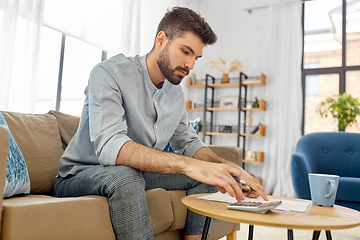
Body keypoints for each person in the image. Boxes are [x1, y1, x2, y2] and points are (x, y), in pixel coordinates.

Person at [54, 6, 268, 240]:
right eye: (185, 51)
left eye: (195, 57)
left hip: (137, 173)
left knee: (207, 176)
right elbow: (110, 147)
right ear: (161, 39)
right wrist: (187, 165)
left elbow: (189, 143)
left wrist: (227, 168)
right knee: (125, 176)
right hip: (81, 174)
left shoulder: (174, 95)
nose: (190, 65)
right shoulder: (109, 73)